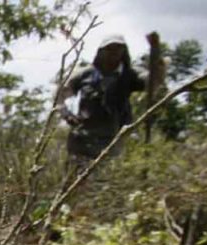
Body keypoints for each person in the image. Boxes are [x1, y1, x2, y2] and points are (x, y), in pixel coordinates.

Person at [55, 35, 146, 171]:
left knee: (110, 181)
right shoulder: (85, 74)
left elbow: (152, 84)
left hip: (114, 139)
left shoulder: (129, 75)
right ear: (101, 51)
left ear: (124, 51)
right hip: (83, 139)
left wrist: (158, 64)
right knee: (77, 180)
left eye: (118, 48)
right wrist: (66, 113)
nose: (114, 52)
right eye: (109, 48)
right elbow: (60, 94)